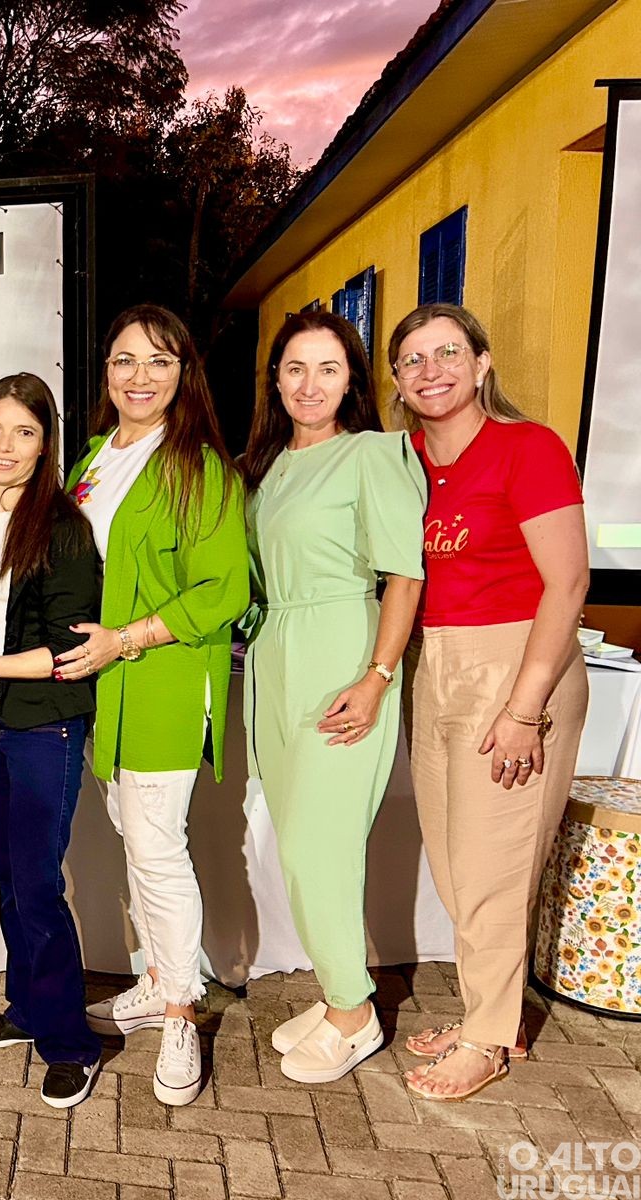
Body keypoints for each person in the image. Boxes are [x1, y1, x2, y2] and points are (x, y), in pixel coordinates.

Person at [388, 303, 588, 1102]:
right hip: (436, 661)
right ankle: (490, 1012)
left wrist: (523, 708)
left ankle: (488, 1038)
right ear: (398, 383)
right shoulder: (403, 459)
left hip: (516, 663)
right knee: (455, 861)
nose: (430, 369)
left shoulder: (526, 447)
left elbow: (569, 582)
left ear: (481, 364)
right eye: (412, 359)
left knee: (496, 863)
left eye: (447, 353)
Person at [54, 303, 248, 1107]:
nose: (140, 376)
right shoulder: (96, 458)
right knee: (135, 836)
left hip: (163, 680)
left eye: (158, 361)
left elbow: (223, 589)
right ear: (105, 373)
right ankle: (156, 973)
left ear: (184, 373)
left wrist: (125, 639)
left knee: (158, 846)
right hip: (100, 682)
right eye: (124, 360)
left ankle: (180, 1011)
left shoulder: (200, 466)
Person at [239, 310, 426, 1083]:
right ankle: (336, 989)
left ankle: (355, 1014)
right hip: (275, 655)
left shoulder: (374, 454)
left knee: (322, 846)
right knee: (295, 843)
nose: (309, 384)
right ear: (276, 381)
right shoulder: (270, 464)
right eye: (294, 368)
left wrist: (376, 676)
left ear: (351, 380)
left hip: (343, 648)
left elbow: (404, 574)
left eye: (328, 368)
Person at [0, 372, 104, 1109]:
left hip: (45, 724)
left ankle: (71, 1041)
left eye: (24, 432)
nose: (5, 445)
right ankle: (29, 1009)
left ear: (46, 444)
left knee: (38, 884)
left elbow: (66, 651)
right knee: (10, 880)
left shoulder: (64, 528)